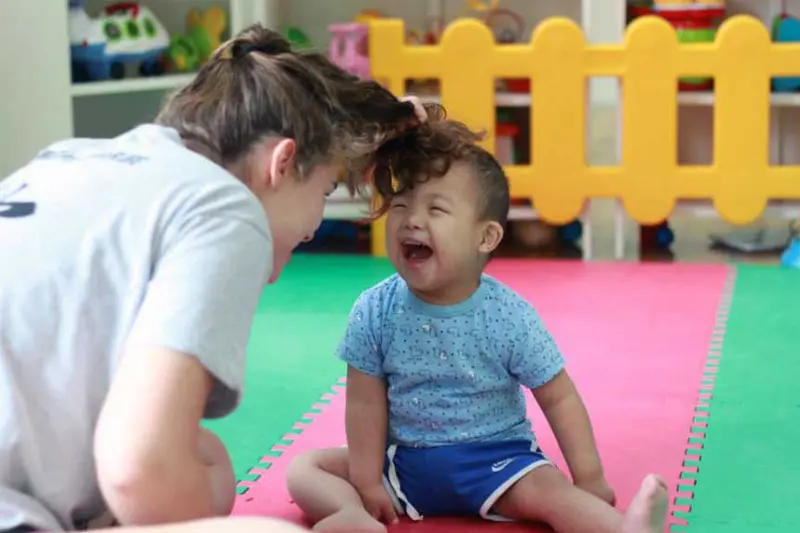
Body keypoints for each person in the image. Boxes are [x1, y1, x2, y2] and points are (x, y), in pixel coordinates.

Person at [0, 23, 427, 533]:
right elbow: (139, 474)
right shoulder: (226, 208)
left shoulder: (73, 159)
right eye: (327, 187)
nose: (317, 221)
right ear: (283, 163)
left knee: (204, 458)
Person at [285, 106, 669, 533]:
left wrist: (590, 477)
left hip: (498, 462)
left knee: (555, 496)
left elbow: (558, 397)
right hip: (403, 464)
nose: (412, 219)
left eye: (436, 209)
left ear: (484, 237)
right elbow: (363, 401)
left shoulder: (508, 315)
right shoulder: (374, 309)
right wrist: (366, 481)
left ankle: (624, 530)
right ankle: (352, 516)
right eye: (400, 204)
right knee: (306, 467)